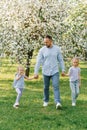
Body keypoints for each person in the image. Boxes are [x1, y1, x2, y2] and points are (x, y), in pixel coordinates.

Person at [34, 35, 65, 109]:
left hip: (55, 71)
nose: (45, 44)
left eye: (47, 42)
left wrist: (63, 69)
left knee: (56, 86)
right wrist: (36, 72)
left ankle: (57, 102)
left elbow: (60, 60)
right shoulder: (42, 50)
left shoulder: (57, 49)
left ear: (51, 41)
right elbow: (38, 61)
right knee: (46, 87)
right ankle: (46, 101)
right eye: (44, 42)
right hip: (45, 71)